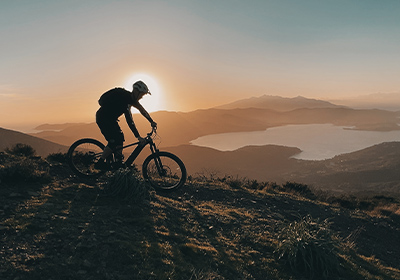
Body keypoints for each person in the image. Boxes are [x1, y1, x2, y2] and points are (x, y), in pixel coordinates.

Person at [94, 80, 157, 170]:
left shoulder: (132, 99)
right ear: (136, 91)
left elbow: (142, 110)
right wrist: (138, 136)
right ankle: (100, 163)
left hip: (111, 120)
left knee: (120, 138)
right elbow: (129, 120)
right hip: (103, 119)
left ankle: (118, 162)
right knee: (113, 142)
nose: (141, 97)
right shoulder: (125, 99)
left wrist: (151, 121)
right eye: (141, 95)